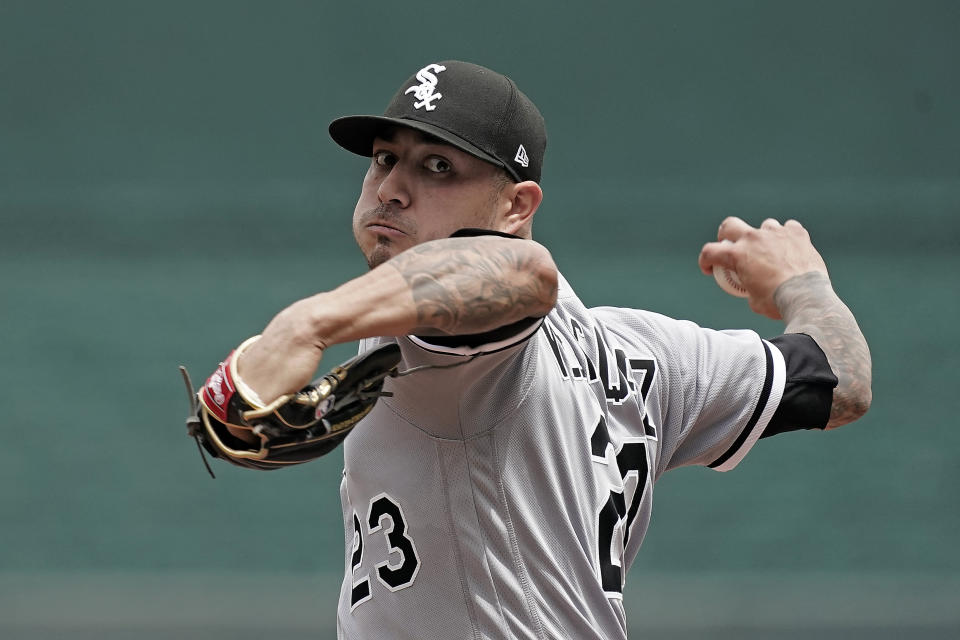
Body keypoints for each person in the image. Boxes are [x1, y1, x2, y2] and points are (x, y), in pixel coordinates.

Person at [203, 60, 872, 638]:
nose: (391, 189)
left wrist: (304, 326)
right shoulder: (644, 352)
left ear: (517, 207)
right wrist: (802, 284)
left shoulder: (458, 342)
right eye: (385, 158)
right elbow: (840, 380)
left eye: (438, 166)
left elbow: (524, 277)